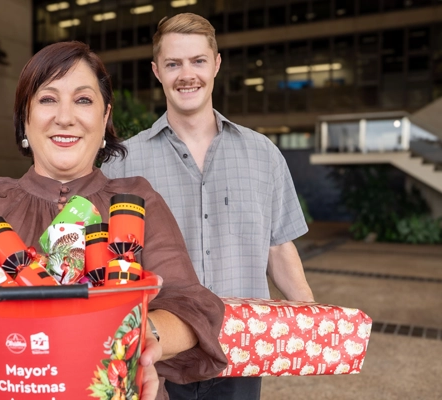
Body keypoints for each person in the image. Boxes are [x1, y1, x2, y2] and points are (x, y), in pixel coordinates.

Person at [0, 41, 228, 400]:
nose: (65, 117)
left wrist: (139, 336)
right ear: (24, 118)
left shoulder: (135, 201)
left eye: (83, 100)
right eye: (48, 99)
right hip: (12, 384)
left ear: (104, 117)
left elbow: (188, 305)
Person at [102, 13, 314, 400]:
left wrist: (312, 319)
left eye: (198, 61)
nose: (187, 75)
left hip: (241, 352)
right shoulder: (122, 164)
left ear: (216, 64)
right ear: (157, 71)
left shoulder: (263, 154)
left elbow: (279, 248)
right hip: (158, 360)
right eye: (173, 64)